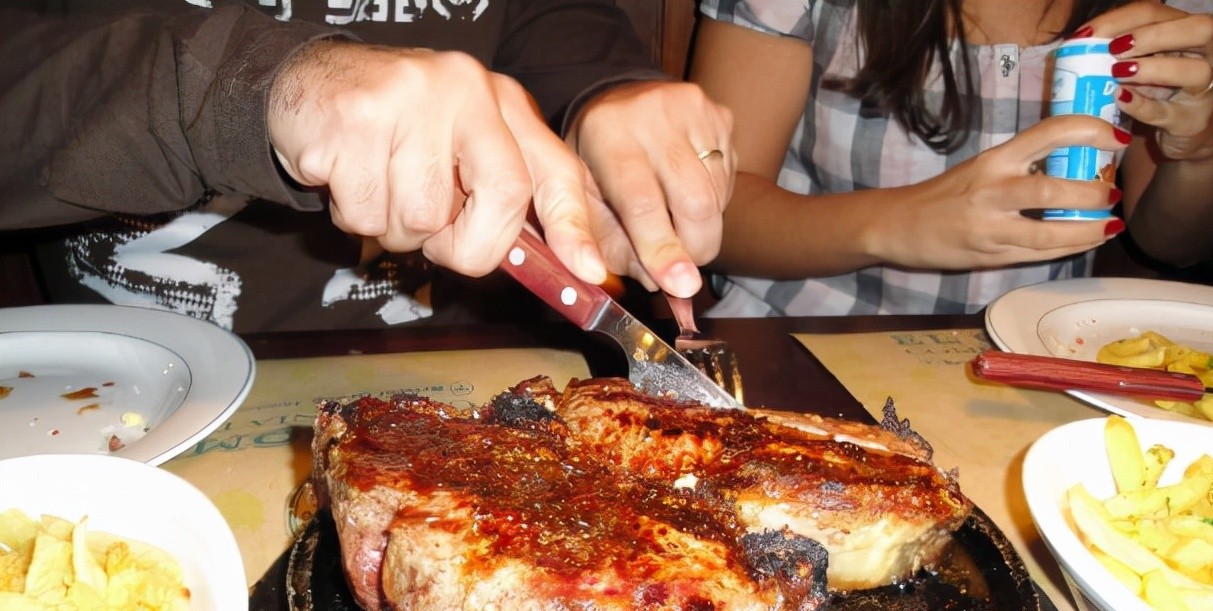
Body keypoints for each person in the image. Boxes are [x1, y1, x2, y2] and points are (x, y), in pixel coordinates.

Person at [0, 1, 734, 330]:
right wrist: (247, 88)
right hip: (113, 397)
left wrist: (610, 98)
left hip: (454, 375)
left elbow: (556, 24)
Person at [688, 0, 1213, 317]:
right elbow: (715, 213)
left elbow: (1174, 246)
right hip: (791, 348)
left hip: (1042, 370)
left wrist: (1203, 149)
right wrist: (895, 223)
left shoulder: (1178, 10)